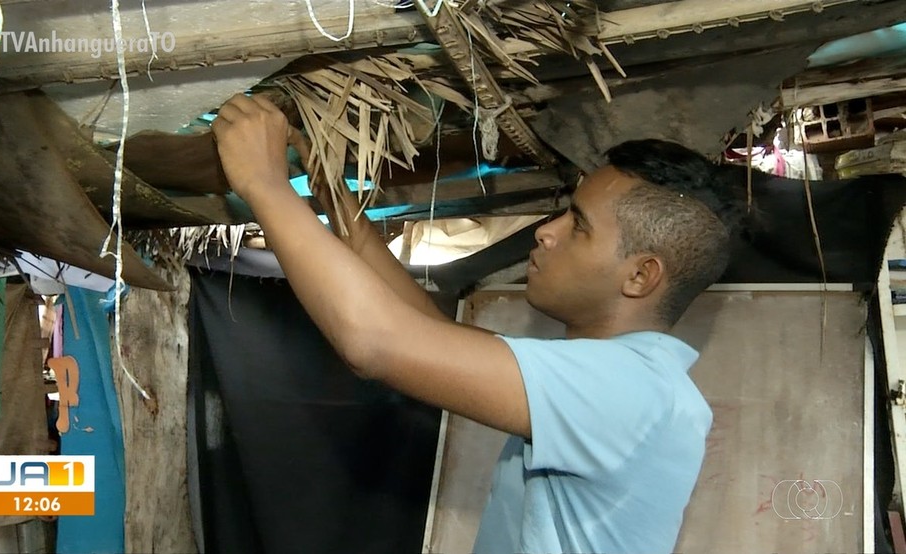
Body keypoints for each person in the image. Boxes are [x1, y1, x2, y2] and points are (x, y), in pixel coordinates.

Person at [211, 94, 734, 553]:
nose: (545, 233)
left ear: (641, 275)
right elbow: (420, 325)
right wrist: (332, 193)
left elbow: (374, 341)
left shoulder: (628, 390)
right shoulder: (628, 383)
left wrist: (264, 185)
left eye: (577, 225)